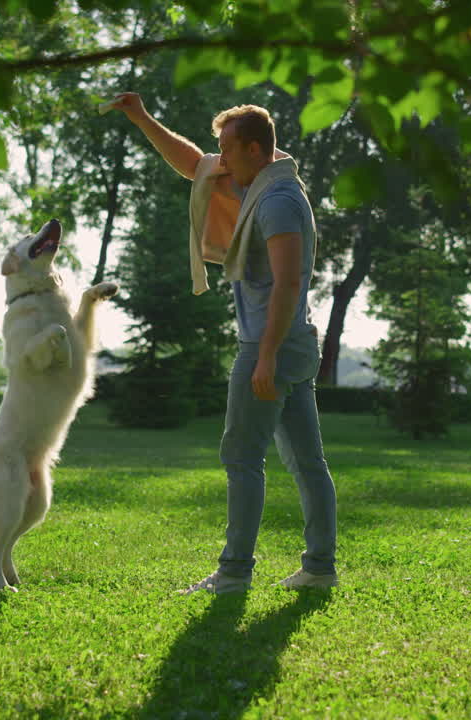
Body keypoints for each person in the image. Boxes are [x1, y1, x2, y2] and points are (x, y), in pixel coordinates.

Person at [113, 92, 338, 593]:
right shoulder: (264, 184)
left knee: (242, 457)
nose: (220, 158)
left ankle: (234, 573)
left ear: (256, 150)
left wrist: (266, 356)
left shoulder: (277, 202)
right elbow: (193, 163)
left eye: (228, 149)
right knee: (307, 462)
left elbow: (287, 283)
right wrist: (141, 116)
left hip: (270, 345)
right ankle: (320, 568)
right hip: (291, 345)